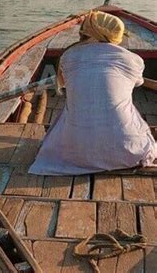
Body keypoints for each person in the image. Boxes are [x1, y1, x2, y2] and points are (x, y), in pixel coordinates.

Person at [29, 11, 156, 175]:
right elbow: (138, 82)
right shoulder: (134, 60)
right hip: (128, 152)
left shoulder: (68, 56)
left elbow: (64, 84)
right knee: (130, 112)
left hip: (75, 154)